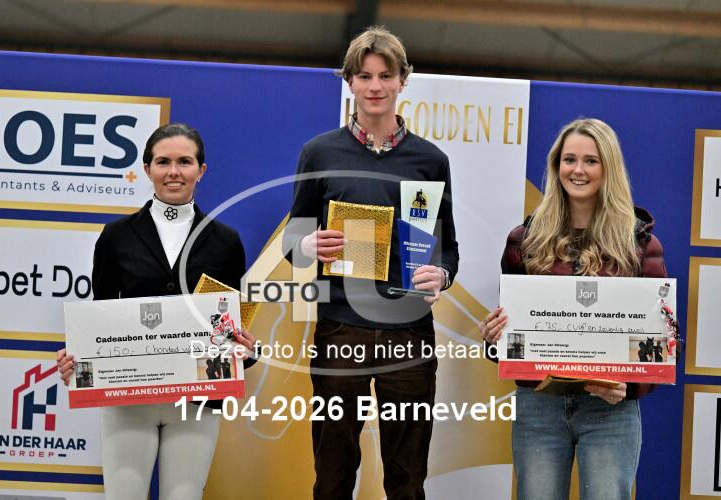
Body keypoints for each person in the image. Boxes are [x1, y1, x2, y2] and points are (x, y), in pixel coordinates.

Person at [283, 26, 459, 500]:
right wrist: (308, 245)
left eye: (385, 75)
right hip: (341, 329)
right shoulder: (319, 152)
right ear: (350, 82)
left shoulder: (431, 160)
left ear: (404, 80)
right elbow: (292, 239)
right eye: (364, 76)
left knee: (407, 476)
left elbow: (449, 248)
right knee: (333, 472)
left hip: (410, 333)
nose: (375, 86)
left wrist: (441, 274)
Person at [57, 123, 256, 500]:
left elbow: (230, 325)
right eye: (163, 162)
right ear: (147, 169)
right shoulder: (116, 236)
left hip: (197, 400)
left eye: (185, 162)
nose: (173, 171)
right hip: (128, 399)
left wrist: (246, 351)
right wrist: (79, 361)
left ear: (201, 170)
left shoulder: (226, 242)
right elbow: (100, 318)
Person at [480, 118, 666, 500]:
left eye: (590, 161)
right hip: (539, 406)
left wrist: (629, 386)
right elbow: (511, 339)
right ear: (556, 166)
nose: (578, 170)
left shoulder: (640, 245)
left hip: (610, 411)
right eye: (569, 160)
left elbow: (661, 339)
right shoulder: (524, 240)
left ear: (608, 168)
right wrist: (494, 338)